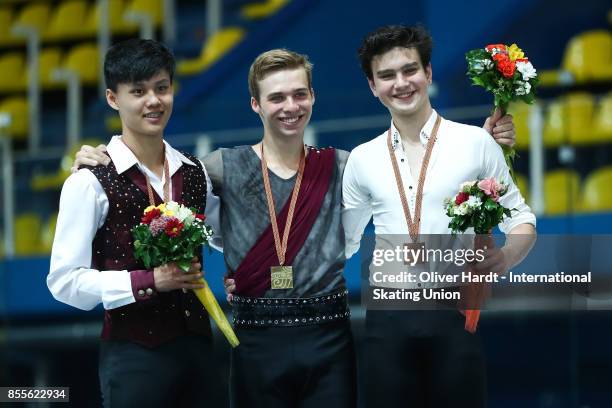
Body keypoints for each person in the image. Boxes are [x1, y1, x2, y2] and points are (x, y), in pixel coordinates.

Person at [72, 47, 518, 407]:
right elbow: (164, 186)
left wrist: (479, 144)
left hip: (329, 339)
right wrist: (99, 157)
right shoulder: (216, 168)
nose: (290, 106)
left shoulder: (346, 166)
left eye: (299, 94)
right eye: (277, 98)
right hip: (253, 342)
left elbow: (415, 170)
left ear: (313, 98)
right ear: (256, 104)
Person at [342, 25, 537, 407]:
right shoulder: (362, 158)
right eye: (387, 75)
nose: (401, 83)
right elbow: (341, 245)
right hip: (386, 318)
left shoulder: (476, 143)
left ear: (428, 73)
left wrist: (504, 258)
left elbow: (521, 219)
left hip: (454, 312)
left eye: (409, 70)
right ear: (372, 86)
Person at [47, 38, 221, 408]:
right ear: (113, 98)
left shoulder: (194, 172)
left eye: (162, 88)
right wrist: (148, 281)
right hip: (134, 356)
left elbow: (220, 236)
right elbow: (64, 282)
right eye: (138, 91)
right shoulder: (89, 180)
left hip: (201, 351)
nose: (153, 101)